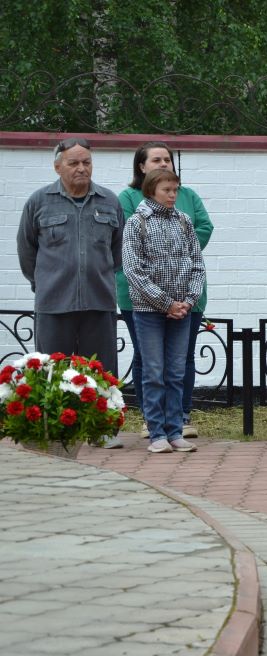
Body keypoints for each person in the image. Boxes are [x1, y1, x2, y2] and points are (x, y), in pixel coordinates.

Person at [118, 142, 214, 443]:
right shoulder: (135, 217)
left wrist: (186, 299)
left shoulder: (184, 218)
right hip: (147, 305)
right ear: (143, 172)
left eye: (167, 159)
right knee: (151, 368)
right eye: (156, 160)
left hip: (183, 305)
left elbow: (197, 259)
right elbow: (134, 266)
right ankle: (154, 427)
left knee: (176, 369)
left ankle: (176, 427)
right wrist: (165, 301)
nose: (164, 164)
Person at [16, 137, 123, 385]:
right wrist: (43, 282)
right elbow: (26, 249)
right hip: (53, 304)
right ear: (58, 167)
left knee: (100, 377)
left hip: (99, 303)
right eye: (73, 163)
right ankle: (54, 425)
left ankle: (101, 425)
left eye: (86, 162)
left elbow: (118, 250)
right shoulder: (39, 201)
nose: (81, 168)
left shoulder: (109, 201)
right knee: (50, 375)